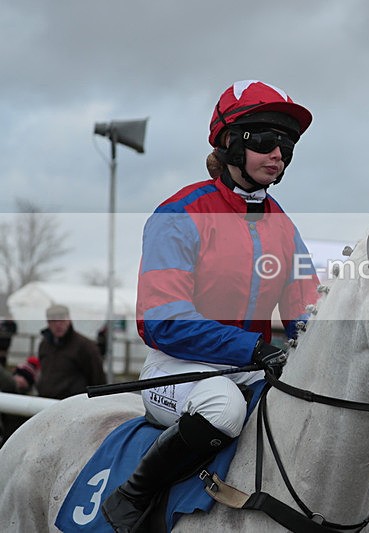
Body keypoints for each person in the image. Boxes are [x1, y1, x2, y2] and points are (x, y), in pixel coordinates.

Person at [101, 80, 321, 531]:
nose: (278, 153)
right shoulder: (178, 215)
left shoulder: (285, 227)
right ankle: (133, 495)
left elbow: (307, 315)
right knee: (223, 409)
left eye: (287, 144)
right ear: (231, 144)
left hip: (249, 365)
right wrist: (253, 349)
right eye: (265, 141)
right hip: (178, 368)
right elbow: (163, 321)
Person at [37, 304, 106, 400]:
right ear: (48, 323)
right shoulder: (44, 345)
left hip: (74, 405)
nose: (58, 324)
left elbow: (98, 379)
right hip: (47, 402)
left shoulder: (85, 347)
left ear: (68, 320)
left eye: (62, 320)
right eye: (53, 321)